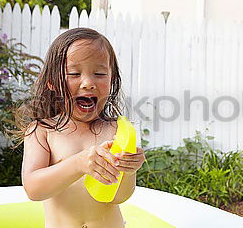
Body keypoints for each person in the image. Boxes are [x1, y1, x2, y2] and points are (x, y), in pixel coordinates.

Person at [14, 27, 145, 228]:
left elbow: (118, 197)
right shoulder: (42, 131)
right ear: (52, 83)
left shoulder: (116, 131)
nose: (88, 83)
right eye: (74, 73)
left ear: (112, 79)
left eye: (99, 73)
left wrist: (128, 172)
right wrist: (78, 164)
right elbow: (33, 189)